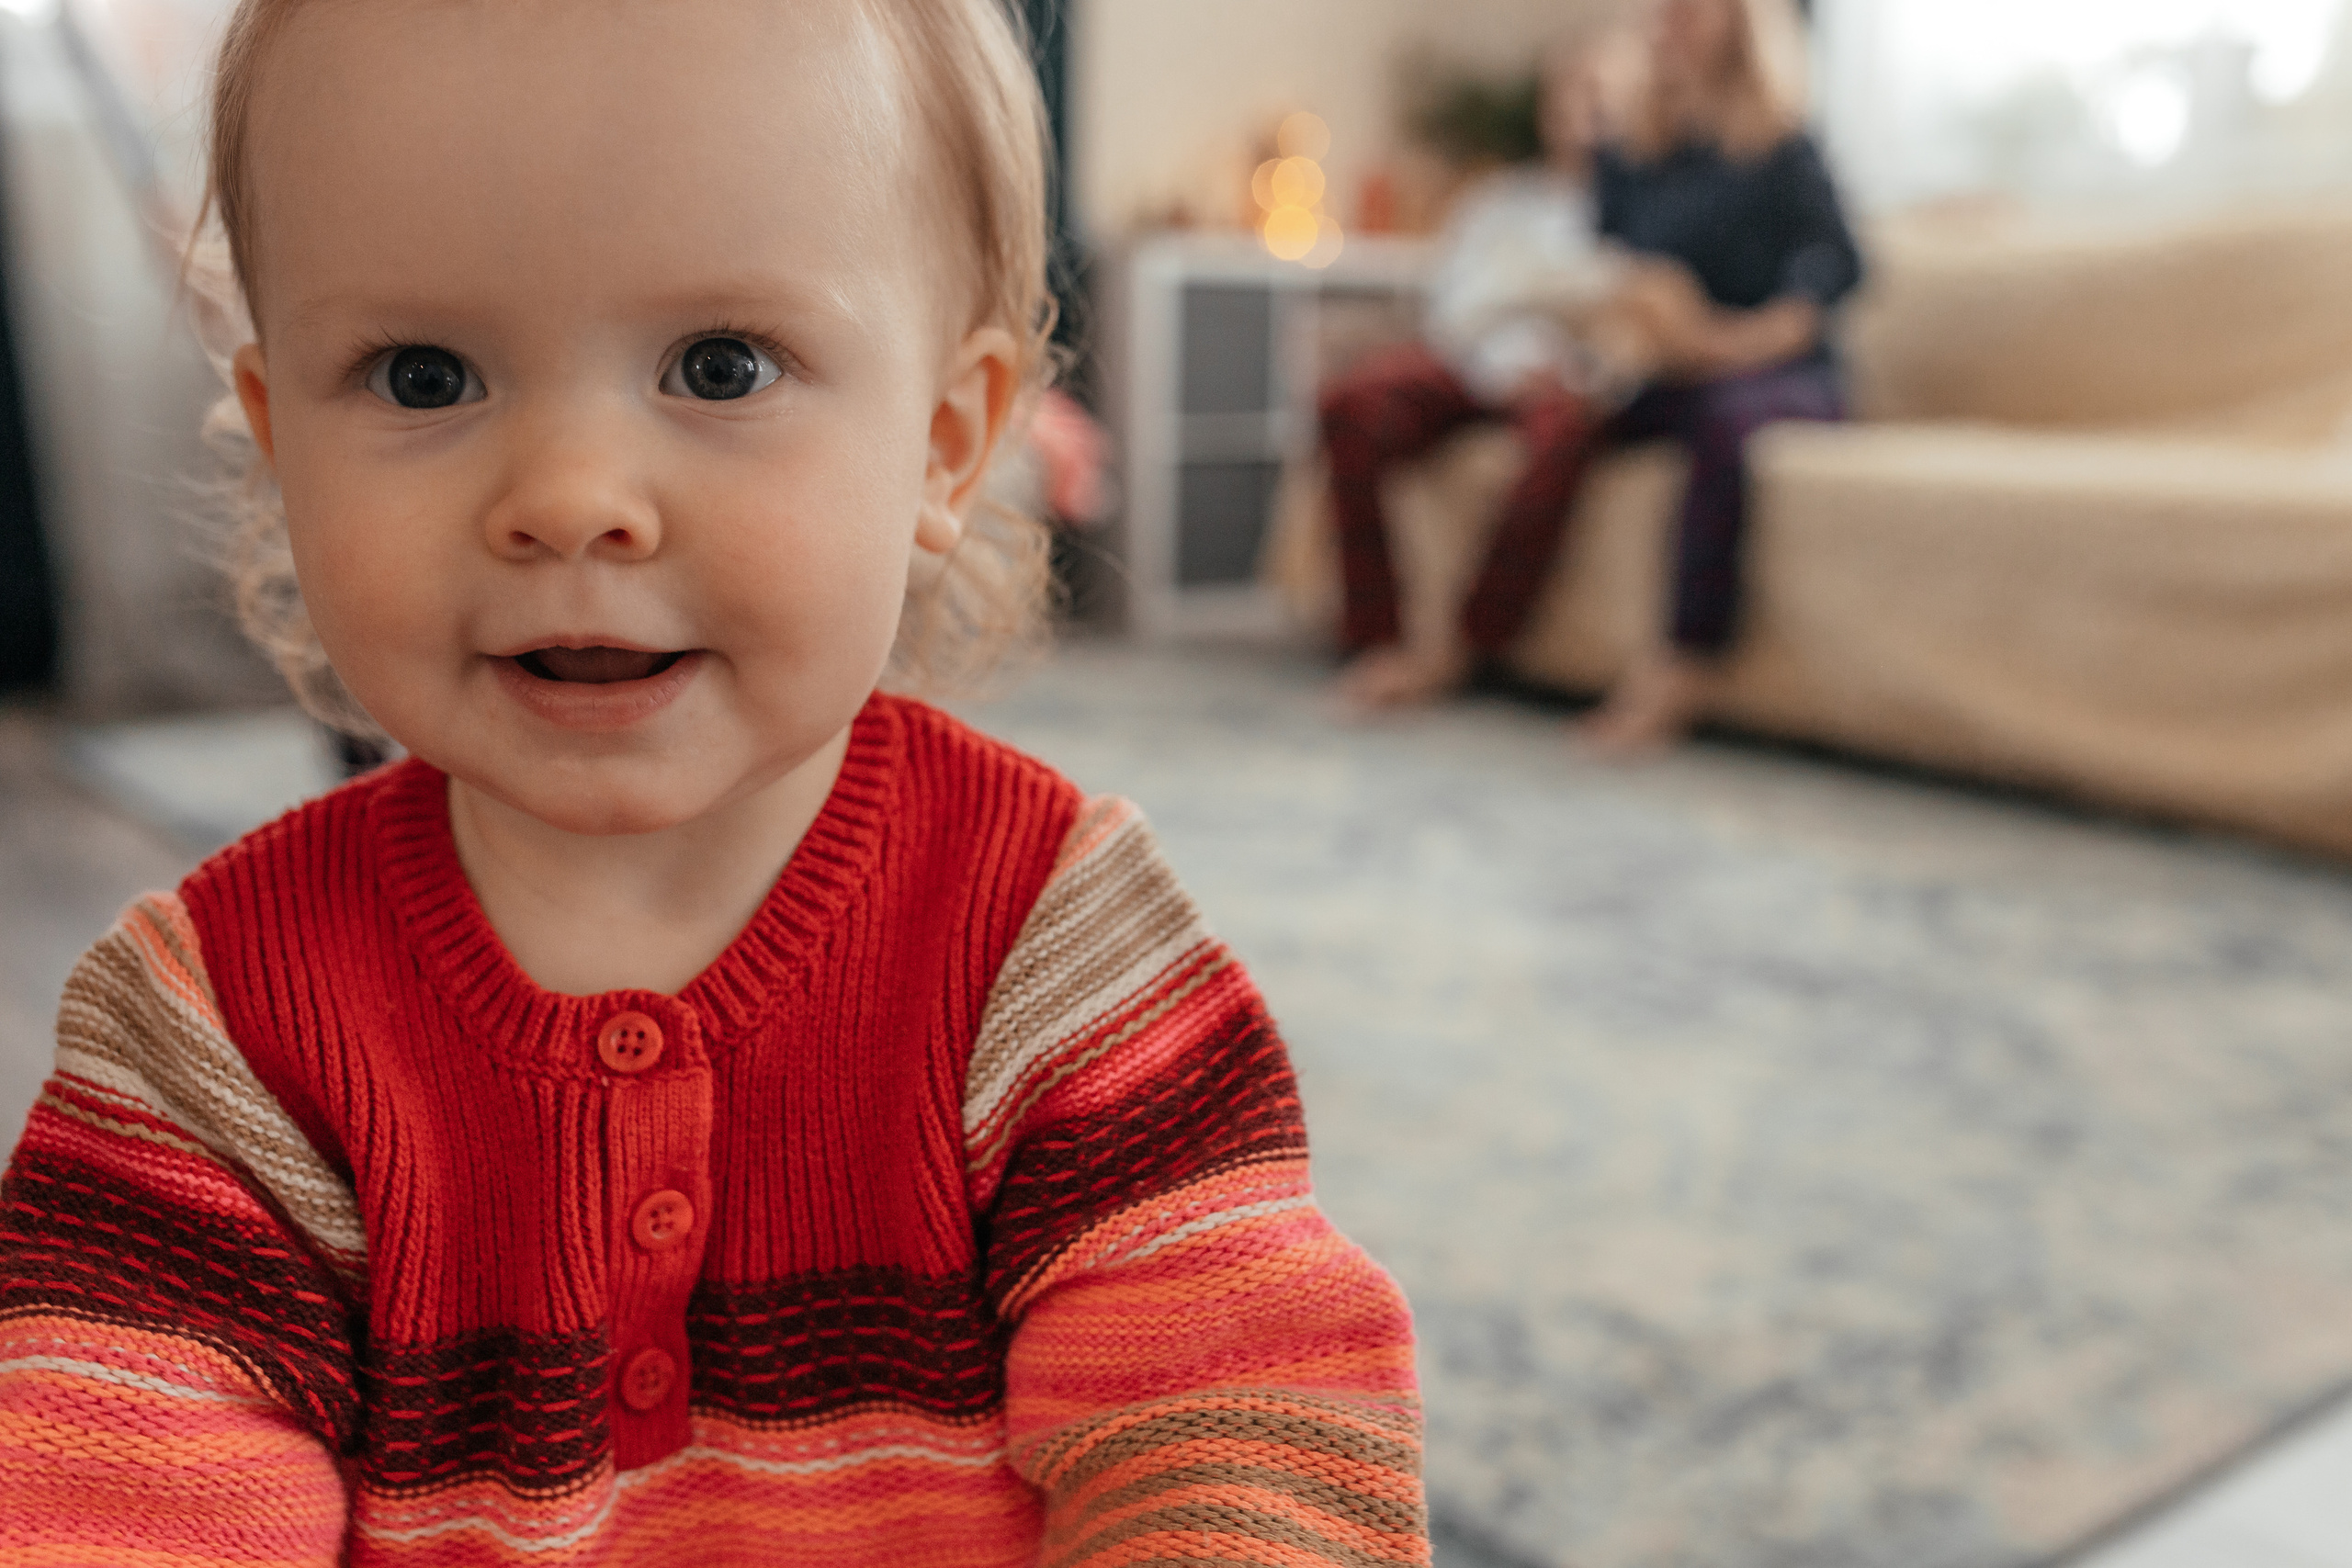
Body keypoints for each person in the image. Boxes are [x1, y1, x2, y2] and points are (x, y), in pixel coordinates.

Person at [0, 2, 1426, 1563]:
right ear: (281, 441)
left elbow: (1233, 1407)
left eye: (720, 365)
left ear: (947, 446)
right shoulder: (214, 1026)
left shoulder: (1046, 929)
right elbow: (109, 1478)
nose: (570, 499)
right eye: (422, 376)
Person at [1322, 36, 1686, 710]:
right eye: (1578, 98)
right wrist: (1517, 354)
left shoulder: (1653, 213)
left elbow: (1643, 328)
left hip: (1573, 383)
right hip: (1474, 366)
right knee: (1351, 402)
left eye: (1608, 101)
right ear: (1551, 110)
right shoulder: (1499, 203)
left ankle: (1463, 648)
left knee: (1563, 438)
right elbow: (1457, 308)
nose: (1592, 115)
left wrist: (1574, 351)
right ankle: (1376, 637)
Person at [1577, 0, 1864, 751]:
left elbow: (1839, 269)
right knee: (1561, 419)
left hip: (1776, 372)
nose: (1674, 19)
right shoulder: (1631, 151)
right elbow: (1603, 265)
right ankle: (1466, 639)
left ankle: (1685, 658)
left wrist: (1735, 341)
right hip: (1666, 369)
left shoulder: (1783, 144)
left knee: (1725, 419)